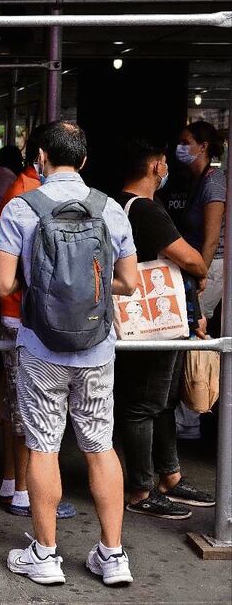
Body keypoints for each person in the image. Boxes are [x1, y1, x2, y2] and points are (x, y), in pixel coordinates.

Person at [0, 121, 139, 587]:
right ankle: (113, 555)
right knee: (99, 445)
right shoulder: (110, 208)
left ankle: (46, 555)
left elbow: (2, 284)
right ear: (83, 160)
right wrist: (92, 294)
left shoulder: (21, 208)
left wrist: (43, 289)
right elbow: (130, 284)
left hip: (41, 347)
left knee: (43, 445)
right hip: (96, 349)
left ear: (40, 156)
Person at [115, 138, 214, 520]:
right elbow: (187, 257)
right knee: (144, 403)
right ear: (156, 166)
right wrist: (201, 270)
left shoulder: (119, 204)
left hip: (157, 318)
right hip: (153, 321)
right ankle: (141, 489)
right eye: (164, 161)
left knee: (163, 401)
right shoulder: (144, 209)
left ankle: (169, 477)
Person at [0, 125, 77, 520]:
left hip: (18, 315)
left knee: (14, 403)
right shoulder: (28, 196)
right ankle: (26, 493)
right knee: (33, 416)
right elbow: (7, 281)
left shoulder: (23, 193)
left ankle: (14, 483)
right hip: (29, 317)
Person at [161, 120, 226, 320]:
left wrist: (201, 275)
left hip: (209, 265)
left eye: (186, 142)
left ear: (203, 146)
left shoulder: (213, 182)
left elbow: (212, 240)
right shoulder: (195, 179)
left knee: (197, 319)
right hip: (195, 262)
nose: (180, 148)